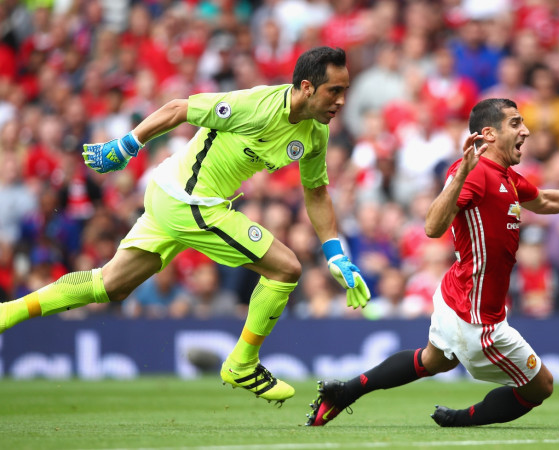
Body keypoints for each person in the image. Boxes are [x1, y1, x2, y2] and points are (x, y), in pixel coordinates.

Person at [0, 46, 371, 405]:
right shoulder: (255, 107)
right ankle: (242, 363)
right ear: (307, 87)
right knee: (286, 268)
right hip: (190, 201)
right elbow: (179, 108)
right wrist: (126, 145)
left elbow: (317, 193)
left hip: (173, 196)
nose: (341, 101)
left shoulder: (316, 134)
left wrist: (335, 253)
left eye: (344, 92)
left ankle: (9, 311)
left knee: (110, 284)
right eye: (333, 91)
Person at [305, 98, 559, 427]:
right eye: (515, 123)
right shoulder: (473, 172)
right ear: (489, 134)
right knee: (541, 386)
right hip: (477, 317)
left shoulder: (505, 175)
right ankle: (459, 420)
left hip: (457, 292)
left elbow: (544, 200)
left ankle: (346, 391)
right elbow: (432, 227)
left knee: (433, 360)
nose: (526, 131)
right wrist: (459, 176)